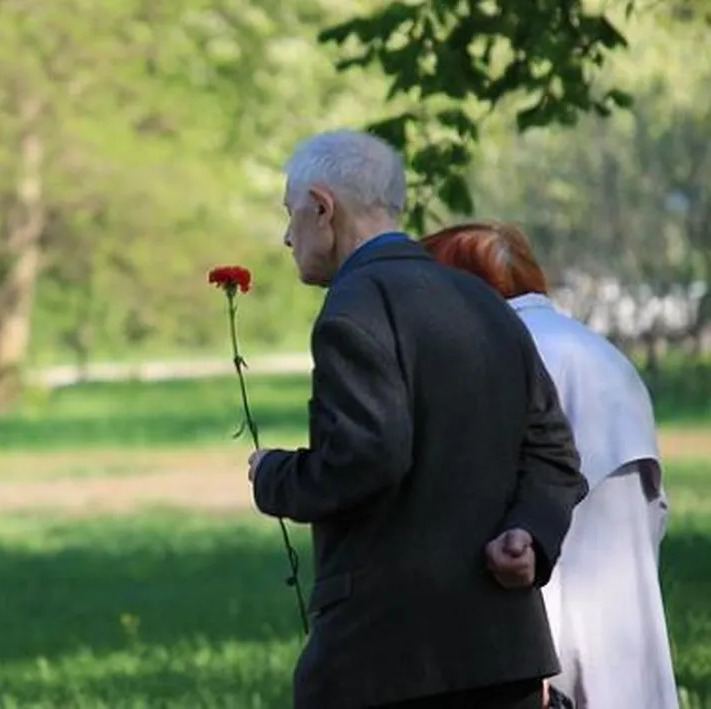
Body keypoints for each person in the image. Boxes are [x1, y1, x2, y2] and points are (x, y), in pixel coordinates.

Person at [245, 130, 587, 709]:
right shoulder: (484, 302)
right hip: (504, 653)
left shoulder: (353, 309)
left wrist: (273, 476)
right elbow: (554, 450)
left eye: (291, 212)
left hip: (389, 659)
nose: (286, 235)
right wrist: (529, 530)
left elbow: (367, 457)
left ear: (323, 208)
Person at [421, 221, 679, 709]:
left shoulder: (504, 354)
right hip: (625, 617)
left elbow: (503, 517)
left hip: (545, 641)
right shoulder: (596, 350)